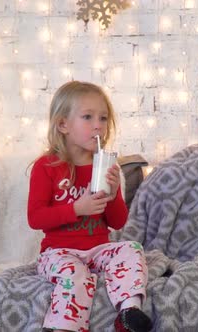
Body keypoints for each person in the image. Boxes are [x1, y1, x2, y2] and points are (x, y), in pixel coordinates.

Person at [28, 81, 152, 332]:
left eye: (104, 118)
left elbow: (117, 222)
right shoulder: (46, 167)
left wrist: (115, 192)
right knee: (75, 274)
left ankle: (128, 312)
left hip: (99, 250)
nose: (99, 125)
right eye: (88, 117)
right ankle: (63, 327)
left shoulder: (105, 166)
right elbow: (36, 218)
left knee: (131, 248)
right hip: (59, 252)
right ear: (63, 124)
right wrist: (76, 208)